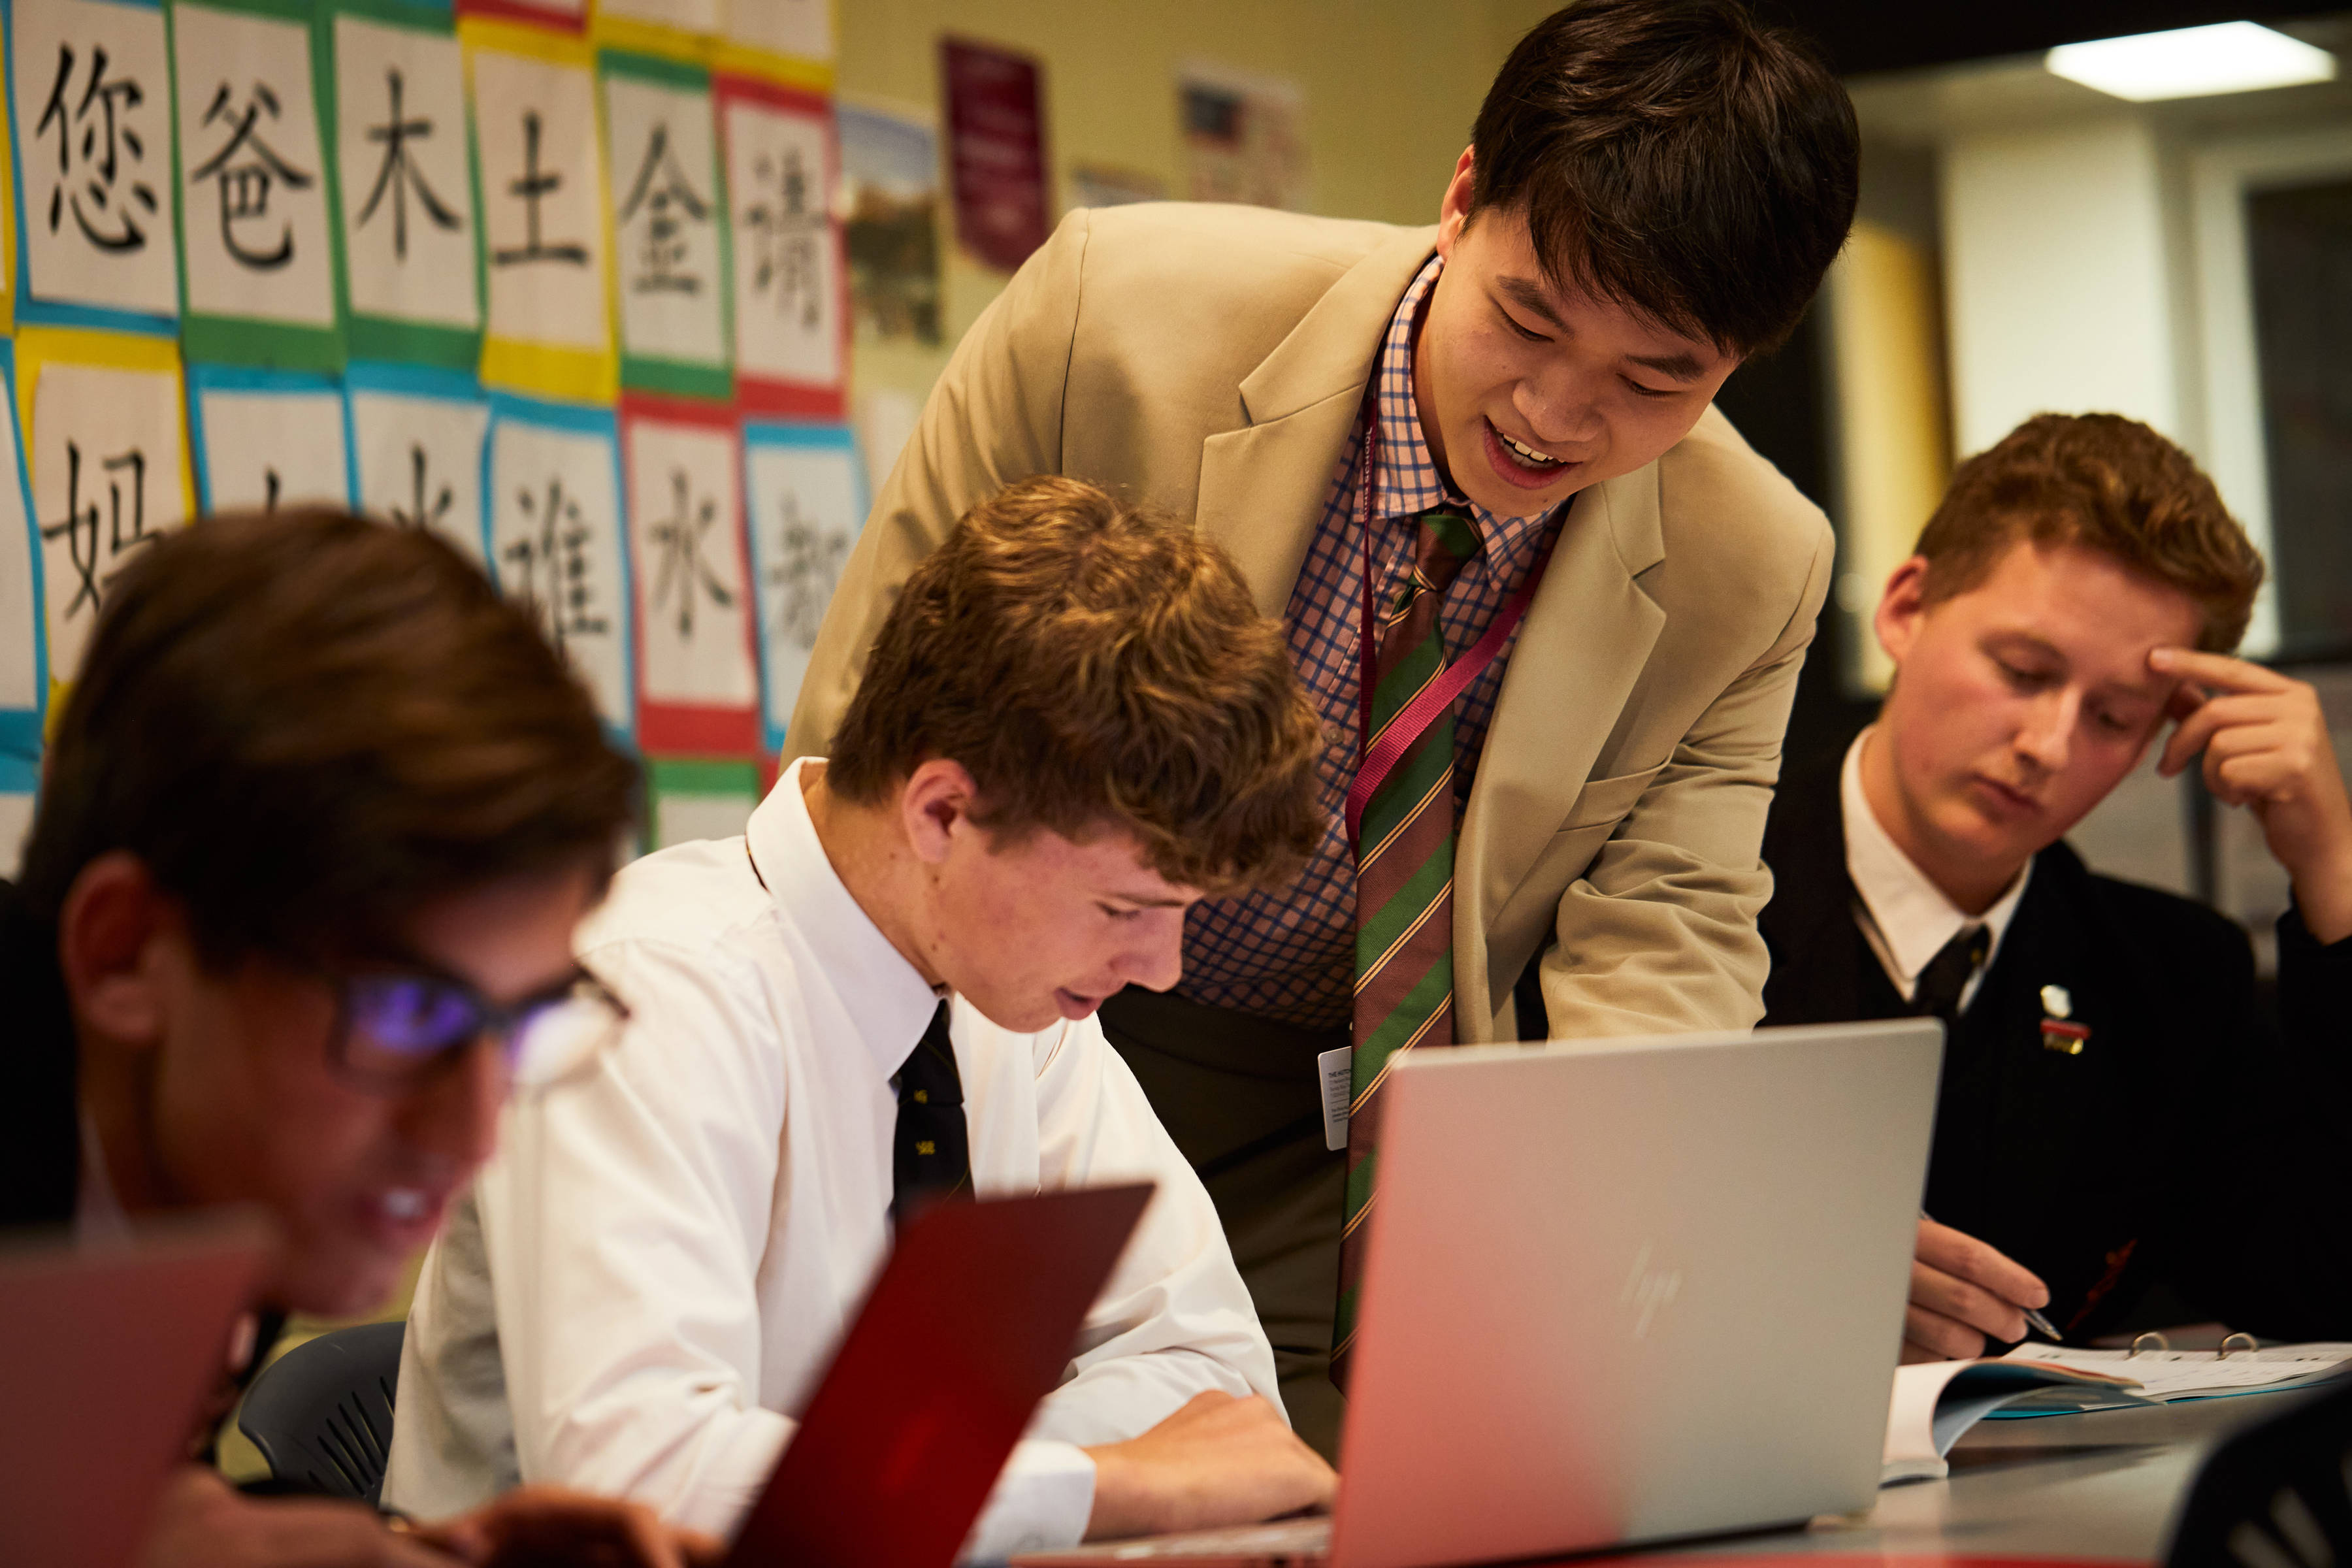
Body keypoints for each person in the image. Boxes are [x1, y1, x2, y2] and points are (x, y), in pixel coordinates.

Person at [783, 0, 1858, 1448]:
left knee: (1337, 1487)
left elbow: (1666, 939)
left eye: (1653, 380)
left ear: (1741, 359)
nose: (1552, 410)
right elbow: (872, 735)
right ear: (1463, 197)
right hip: (1000, 1030)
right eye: (1526, 318)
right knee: (955, 1467)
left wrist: (1622, 1282)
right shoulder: (1113, 317)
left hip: (1347, 1129)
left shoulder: (1755, 563)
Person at [385, 478, 1338, 1558]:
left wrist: (923, 1483)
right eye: (1126, 908)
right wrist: (1101, 1484)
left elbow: (1213, 1379)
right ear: (943, 813)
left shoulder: (1012, 991)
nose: (1160, 971)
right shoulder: (647, 993)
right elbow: (641, 1484)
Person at [0, 511, 713, 1567]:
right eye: (406, 1014)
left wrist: (414, 1559)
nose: (474, 1136)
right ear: (126, 956)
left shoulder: (210, 1158)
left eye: (525, 1027)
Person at [1759, 414, 2352, 1359]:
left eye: (2115, 717)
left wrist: (2337, 874)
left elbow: (2326, 1288)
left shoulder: (2167, 982)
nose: (2049, 745)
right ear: (1907, 608)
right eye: (2022, 671)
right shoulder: (1670, 886)